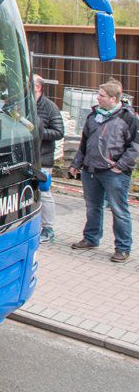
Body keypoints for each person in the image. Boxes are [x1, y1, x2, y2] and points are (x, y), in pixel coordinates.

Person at [69, 79, 138, 263]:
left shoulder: (128, 118)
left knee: (119, 210)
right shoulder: (93, 116)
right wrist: (76, 164)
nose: (97, 98)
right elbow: (84, 142)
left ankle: (123, 248)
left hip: (114, 173)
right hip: (90, 169)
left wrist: (120, 165)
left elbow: (134, 146)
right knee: (92, 207)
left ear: (114, 99)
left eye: (102, 95)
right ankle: (91, 238)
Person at [34, 74, 65, 243]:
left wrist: (36, 132)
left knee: (44, 192)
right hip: (28, 157)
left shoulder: (50, 107)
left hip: (43, 159)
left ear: (38, 87)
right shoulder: (24, 105)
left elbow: (59, 132)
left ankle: (48, 228)